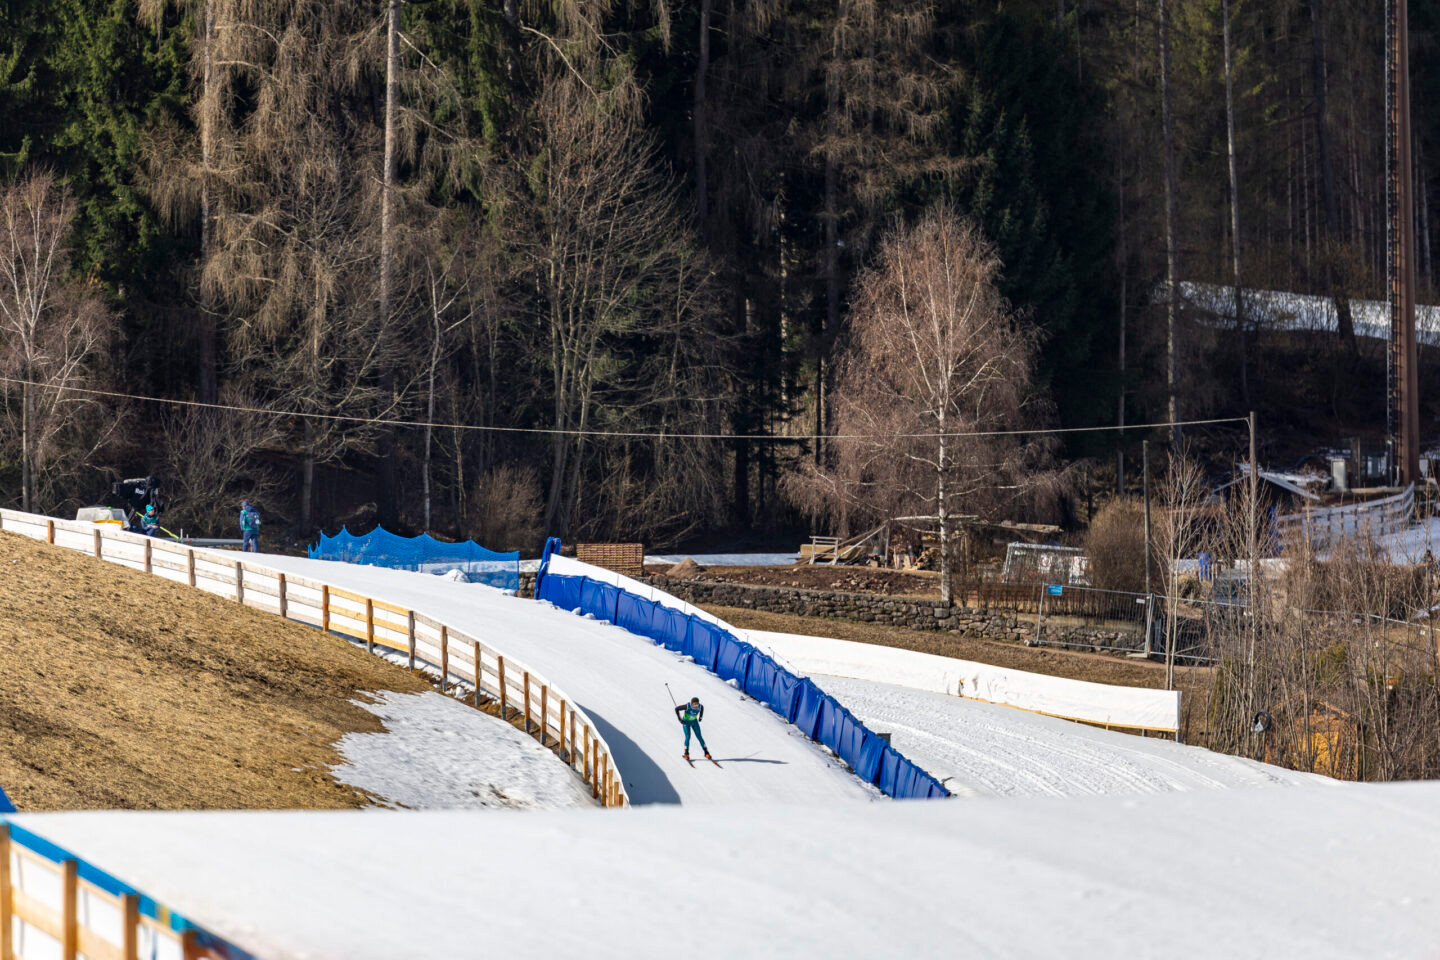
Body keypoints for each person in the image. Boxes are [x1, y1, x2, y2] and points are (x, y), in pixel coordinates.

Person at [674, 696, 710, 760]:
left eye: (697, 704)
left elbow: (702, 709)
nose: (696, 706)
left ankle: (706, 752)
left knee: (699, 736)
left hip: (694, 722)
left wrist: (700, 717)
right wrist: (680, 719)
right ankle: (686, 753)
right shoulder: (687, 706)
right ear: (691, 703)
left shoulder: (700, 706)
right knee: (688, 737)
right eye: (694, 704)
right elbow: (676, 709)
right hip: (686, 722)